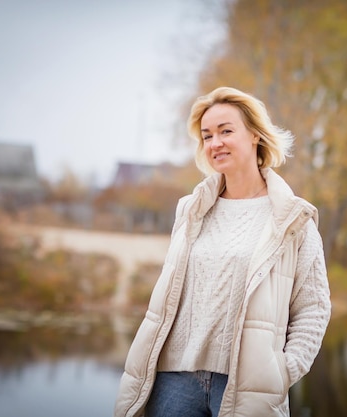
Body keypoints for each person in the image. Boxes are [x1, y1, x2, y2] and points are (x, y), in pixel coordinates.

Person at [114, 86, 332, 417]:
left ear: (255, 136)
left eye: (226, 131)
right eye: (207, 136)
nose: (215, 143)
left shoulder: (293, 219)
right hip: (173, 382)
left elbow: (314, 308)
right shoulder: (190, 210)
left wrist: (282, 371)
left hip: (246, 387)